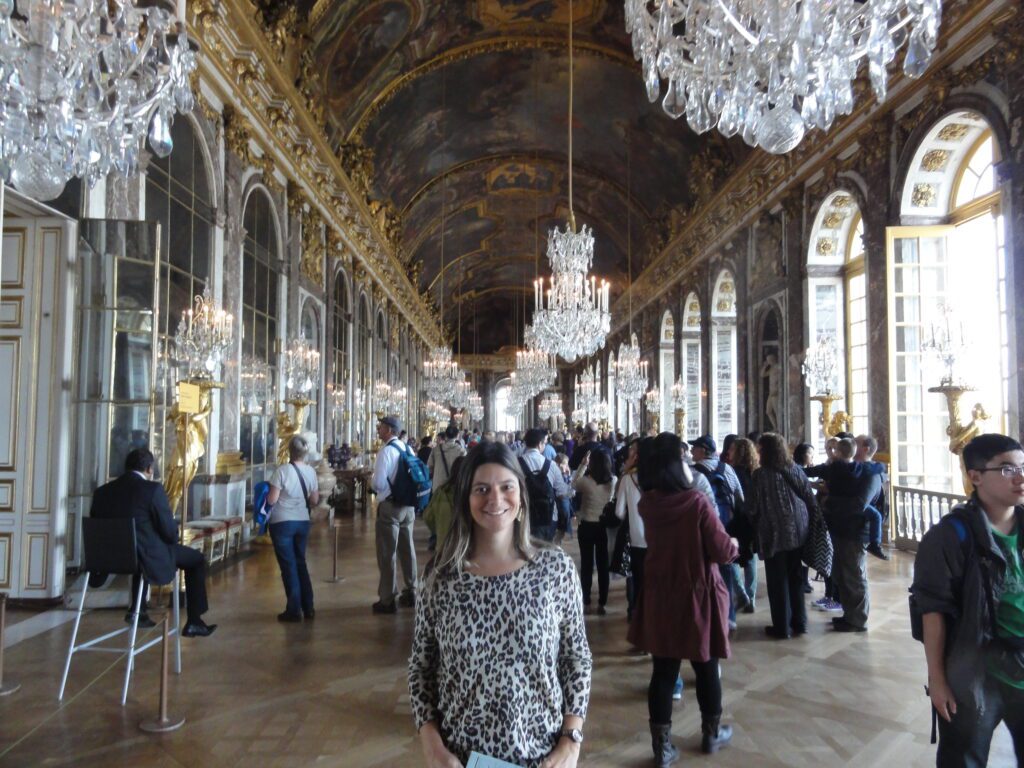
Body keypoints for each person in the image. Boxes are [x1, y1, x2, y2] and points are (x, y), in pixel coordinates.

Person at [408, 442, 592, 768]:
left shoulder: (555, 568)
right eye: (481, 489)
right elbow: (422, 667)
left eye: (506, 487)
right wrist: (431, 743)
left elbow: (576, 657)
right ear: (466, 499)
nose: (495, 499)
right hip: (461, 758)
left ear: (520, 496)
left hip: (544, 756)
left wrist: (571, 739)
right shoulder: (441, 577)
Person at [911, 433, 1024, 768]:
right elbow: (933, 610)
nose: (1019, 477)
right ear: (975, 477)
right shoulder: (949, 536)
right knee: (963, 759)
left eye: (1021, 467)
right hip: (974, 673)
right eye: (1005, 469)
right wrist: (938, 680)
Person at [629, 432, 738, 764]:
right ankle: (711, 732)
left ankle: (662, 748)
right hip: (697, 592)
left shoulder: (648, 503)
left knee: (663, 672)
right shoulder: (696, 503)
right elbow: (720, 550)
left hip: (661, 592)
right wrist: (734, 545)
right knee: (706, 667)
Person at [89, 448, 216, 637]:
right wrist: (170, 535)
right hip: (144, 557)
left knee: (141, 552)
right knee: (195, 559)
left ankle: (138, 611)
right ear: (149, 469)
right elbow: (169, 532)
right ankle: (195, 621)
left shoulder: (102, 492)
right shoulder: (152, 490)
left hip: (109, 559)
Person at [811, 438, 882, 632]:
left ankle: (858, 620)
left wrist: (829, 502)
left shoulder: (872, 474)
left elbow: (859, 504)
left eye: (856, 443)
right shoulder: (854, 470)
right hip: (842, 528)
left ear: (866, 449)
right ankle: (849, 615)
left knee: (854, 576)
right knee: (842, 575)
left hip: (856, 531)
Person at [751, 433, 815, 639]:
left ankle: (782, 627)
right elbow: (808, 495)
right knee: (796, 577)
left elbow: (754, 505)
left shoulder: (761, 475)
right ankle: (800, 622)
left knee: (777, 580)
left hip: (775, 532)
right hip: (799, 530)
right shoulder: (794, 468)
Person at [690, 434, 745, 628]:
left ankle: (706, 615)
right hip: (726, 524)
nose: (691, 451)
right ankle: (728, 616)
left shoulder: (694, 472)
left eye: (694, 448)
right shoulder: (727, 468)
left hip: (703, 527)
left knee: (705, 569)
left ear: (703, 450)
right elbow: (739, 496)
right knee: (726, 567)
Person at [267, 435, 320, 622]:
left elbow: (272, 500)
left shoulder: (282, 471)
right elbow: (314, 500)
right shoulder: (311, 472)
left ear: (290, 451)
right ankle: (309, 607)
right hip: (302, 522)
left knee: (288, 566)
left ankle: (294, 609)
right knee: (300, 563)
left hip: (282, 523)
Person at [371, 415, 418, 614]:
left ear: (389, 430)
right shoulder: (408, 448)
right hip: (409, 507)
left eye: (381, 427)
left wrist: (372, 483)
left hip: (390, 508)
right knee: (408, 550)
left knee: (387, 553)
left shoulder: (386, 452)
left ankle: (387, 599)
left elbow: (379, 484)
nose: (378, 430)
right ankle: (412, 590)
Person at [573, 450, 616, 613]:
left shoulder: (585, 482)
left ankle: (586, 598)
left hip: (587, 525)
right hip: (603, 527)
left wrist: (583, 464)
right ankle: (602, 602)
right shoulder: (613, 481)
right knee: (603, 564)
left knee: (586, 563)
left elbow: (573, 483)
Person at [519, 428, 572, 543]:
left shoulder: (516, 463)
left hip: (524, 516)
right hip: (548, 517)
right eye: (545, 442)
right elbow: (562, 493)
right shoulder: (551, 465)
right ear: (539, 444)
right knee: (545, 551)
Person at [729, 437, 760, 613]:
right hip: (752, 518)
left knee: (731, 556)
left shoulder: (732, 471)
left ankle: (741, 594)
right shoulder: (757, 472)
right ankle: (751, 597)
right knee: (750, 558)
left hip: (736, 518)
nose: (729, 453)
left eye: (732, 450)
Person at [615, 438, 644, 620]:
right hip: (658, 538)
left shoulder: (627, 479)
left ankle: (634, 613)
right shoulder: (660, 477)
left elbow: (618, 511)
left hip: (635, 536)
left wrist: (631, 516)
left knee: (635, 576)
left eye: (633, 451)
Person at [423, 456, 465, 563]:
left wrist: (439, 529)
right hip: (466, 547)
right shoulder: (472, 493)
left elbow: (428, 517)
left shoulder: (441, 492)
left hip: (443, 545)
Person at [429, 426, 466, 490]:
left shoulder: (436, 450)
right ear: (457, 435)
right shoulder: (461, 451)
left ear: (445, 435)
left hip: (438, 486)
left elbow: (429, 466)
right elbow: (465, 469)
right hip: (454, 486)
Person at [554, 452, 575, 545]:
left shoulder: (565, 474)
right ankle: (557, 545)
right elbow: (564, 489)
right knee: (561, 528)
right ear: (558, 464)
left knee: (561, 530)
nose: (567, 466)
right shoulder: (558, 474)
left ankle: (558, 544)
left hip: (565, 503)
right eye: (565, 463)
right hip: (561, 504)